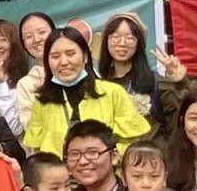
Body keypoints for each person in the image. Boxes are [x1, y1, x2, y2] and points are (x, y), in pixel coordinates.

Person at [16, 28, 150, 157]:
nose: (63, 62)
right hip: (60, 172)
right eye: (55, 56)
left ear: (85, 56)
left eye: (70, 54)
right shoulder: (41, 104)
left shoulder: (114, 93)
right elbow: (38, 153)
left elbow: (132, 143)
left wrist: (106, 158)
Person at [96, 12, 187, 138]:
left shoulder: (155, 84)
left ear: (139, 44)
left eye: (130, 38)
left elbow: (181, 120)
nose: (122, 43)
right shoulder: (97, 86)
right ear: (106, 41)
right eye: (115, 37)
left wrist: (180, 82)